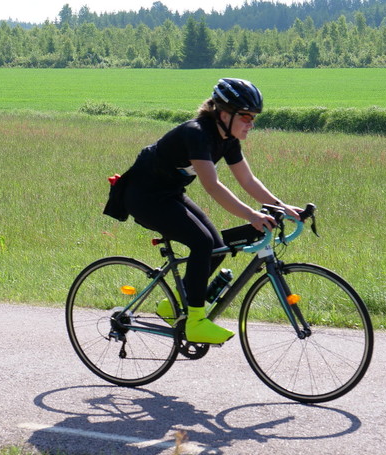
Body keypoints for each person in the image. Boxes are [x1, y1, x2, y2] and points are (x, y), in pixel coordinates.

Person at [108, 78, 302, 344]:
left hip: (169, 194)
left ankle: (171, 306)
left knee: (217, 246)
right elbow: (212, 185)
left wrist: (281, 206)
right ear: (224, 113)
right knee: (202, 242)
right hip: (143, 198)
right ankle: (195, 322)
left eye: (254, 117)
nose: (251, 123)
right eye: (246, 116)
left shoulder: (228, 140)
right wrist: (253, 216)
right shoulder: (197, 133)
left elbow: (248, 180)